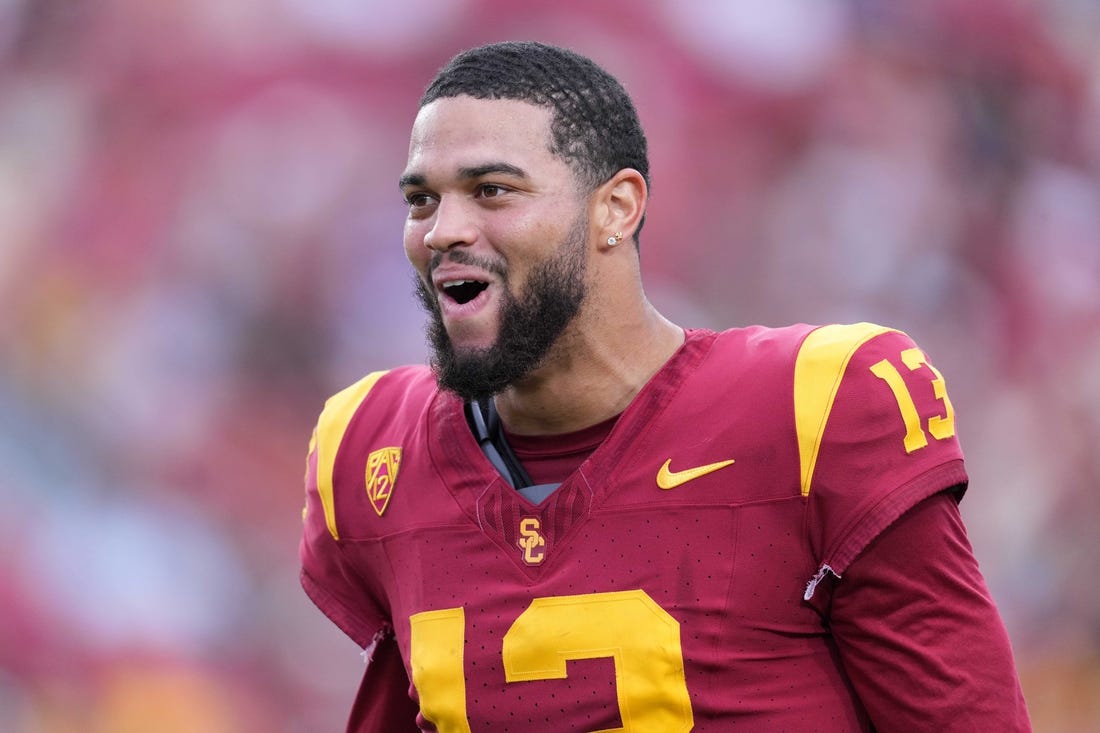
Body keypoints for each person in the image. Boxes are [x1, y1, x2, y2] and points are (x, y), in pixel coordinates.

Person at [299, 41, 1031, 732]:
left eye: (492, 190)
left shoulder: (816, 408)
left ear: (616, 207)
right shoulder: (367, 450)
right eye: (422, 200)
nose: (443, 230)